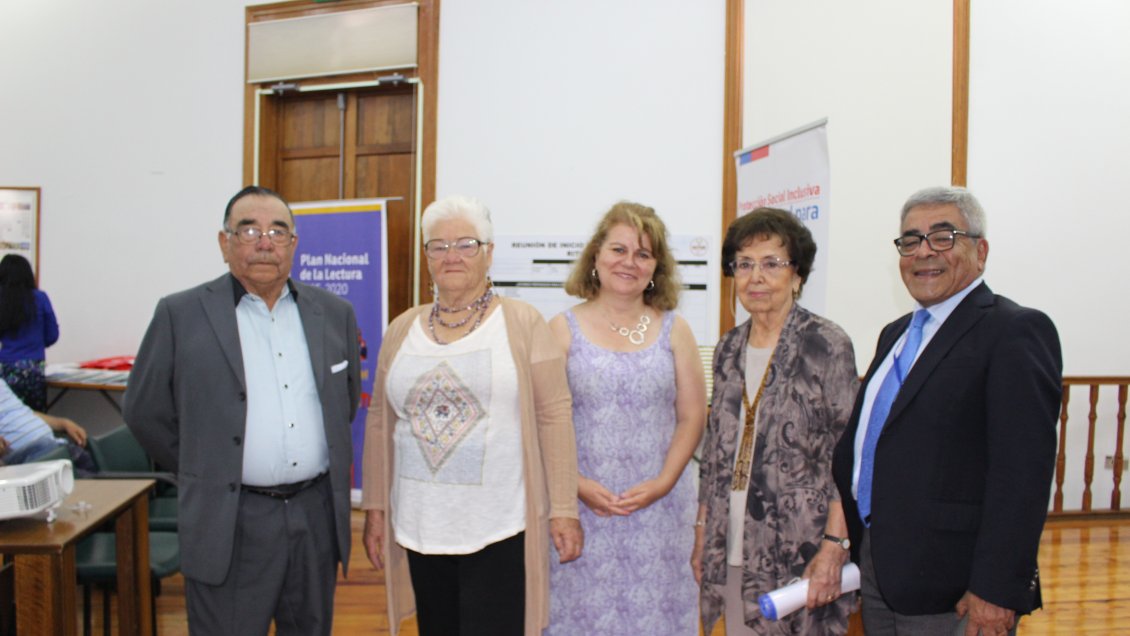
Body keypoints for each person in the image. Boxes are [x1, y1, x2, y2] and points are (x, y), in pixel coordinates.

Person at [124, 186, 361, 636]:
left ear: (294, 243)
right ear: (224, 242)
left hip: (314, 517)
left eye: (278, 230)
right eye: (249, 229)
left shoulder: (334, 314)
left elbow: (343, 404)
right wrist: (206, 466)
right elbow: (143, 410)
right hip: (230, 519)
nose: (265, 241)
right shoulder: (181, 314)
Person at [831, 186, 1062, 635]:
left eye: (943, 237)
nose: (924, 252)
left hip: (956, 589)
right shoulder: (895, 334)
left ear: (981, 250)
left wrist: (997, 589)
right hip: (882, 568)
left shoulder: (1013, 331)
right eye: (911, 240)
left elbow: (1022, 477)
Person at [361, 195, 582, 636]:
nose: (451, 256)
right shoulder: (401, 329)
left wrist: (562, 508)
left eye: (465, 244)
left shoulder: (522, 323)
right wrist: (375, 509)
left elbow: (554, 417)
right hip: (420, 525)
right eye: (438, 246)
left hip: (498, 527)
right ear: (426, 257)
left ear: (489, 252)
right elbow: (381, 423)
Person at [693, 208, 859, 635]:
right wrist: (702, 532)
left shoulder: (826, 344)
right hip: (730, 545)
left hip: (800, 551)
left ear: (798, 275)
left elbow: (848, 456)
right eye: (744, 264)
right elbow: (714, 453)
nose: (756, 277)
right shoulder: (728, 348)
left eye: (771, 264)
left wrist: (835, 545)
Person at [545, 201, 705, 634]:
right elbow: (540, 423)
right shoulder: (559, 330)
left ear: (657, 267)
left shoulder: (676, 330)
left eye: (643, 254)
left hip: (661, 514)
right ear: (596, 255)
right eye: (619, 249)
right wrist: (574, 486)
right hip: (581, 511)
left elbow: (692, 416)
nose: (629, 263)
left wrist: (663, 482)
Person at [0, 253, 59, 411]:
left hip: (4, 369)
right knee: (34, 419)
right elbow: (52, 335)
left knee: (6, 420)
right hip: (33, 369)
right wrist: (36, 342)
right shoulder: (40, 298)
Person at [0, 377, 93, 473]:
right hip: (23, 462)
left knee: (95, 470)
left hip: (55, 447)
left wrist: (62, 423)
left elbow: (22, 411)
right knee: (44, 444)